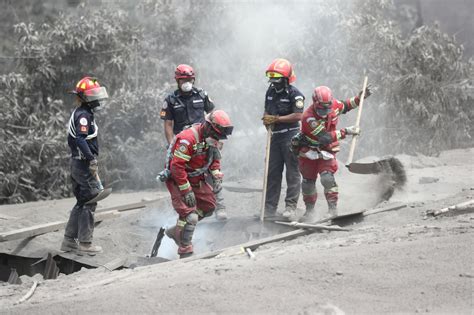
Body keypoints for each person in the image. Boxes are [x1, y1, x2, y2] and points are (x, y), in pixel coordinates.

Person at [291, 85, 371, 221]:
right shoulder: (308, 118)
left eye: (327, 108)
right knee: (308, 182)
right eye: (321, 109)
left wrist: (360, 97)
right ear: (315, 103)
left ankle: (332, 209)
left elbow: (346, 105)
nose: (325, 111)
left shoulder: (334, 105)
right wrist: (346, 131)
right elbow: (325, 137)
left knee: (327, 178)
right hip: (309, 151)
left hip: (327, 151)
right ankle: (309, 212)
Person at [159, 64, 227, 220]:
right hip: (184, 143)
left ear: (194, 79)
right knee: (182, 174)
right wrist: (171, 145)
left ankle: (220, 207)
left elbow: (213, 116)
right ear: (177, 81)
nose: (187, 82)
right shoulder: (170, 100)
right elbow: (168, 124)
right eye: (183, 80)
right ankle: (189, 212)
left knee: (212, 171)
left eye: (189, 79)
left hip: (204, 139)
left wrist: (215, 139)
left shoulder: (202, 95)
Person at [163, 110, 233, 258]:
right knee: (191, 217)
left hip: (196, 178)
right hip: (178, 179)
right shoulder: (188, 139)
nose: (216, 139)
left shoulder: (211, 140)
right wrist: (186, 190)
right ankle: (185, 250)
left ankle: (177, 231)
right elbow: (176, 167)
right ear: (208, 127)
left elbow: (214, 160)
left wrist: (216, 176)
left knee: (208, 207)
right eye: (215, 135)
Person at [60, 76, 109, 255]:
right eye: (93, 95)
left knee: (81, 202)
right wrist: (91, 159)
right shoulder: (83, 116)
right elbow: (80, 139)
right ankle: (85, 244)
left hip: (77, 163)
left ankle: (68, 241)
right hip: (82, 164)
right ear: (86, 97)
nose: (97, 99)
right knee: (90, 201)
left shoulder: (83, 113)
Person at [261, 58, 305, 219]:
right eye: (272, 79)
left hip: (291, 136)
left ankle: (290, 207)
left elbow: (298, 115)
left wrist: (277, 119)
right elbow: (267, 109)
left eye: (277, 79)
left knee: (292, 173)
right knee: (272, 173)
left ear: (286, 79)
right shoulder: (270, 92)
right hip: (275, 137)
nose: (274, 82)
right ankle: (269, 209)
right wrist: (266, 119)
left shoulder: (296, 94)